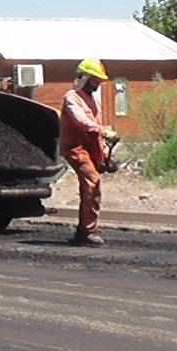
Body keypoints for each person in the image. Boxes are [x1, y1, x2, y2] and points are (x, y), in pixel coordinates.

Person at [60, 58, 120, 246]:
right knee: (93, 183)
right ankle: (88, 231)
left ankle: (82, 230)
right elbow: (81, 122)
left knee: (89, 187)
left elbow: (95, 131)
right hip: (75, 149)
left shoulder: (93, 101)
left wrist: (103, 155)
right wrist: (103, 131)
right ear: (84, 77)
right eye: (95, 80)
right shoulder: (71, 98)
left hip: (90, 148)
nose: (98, 84)